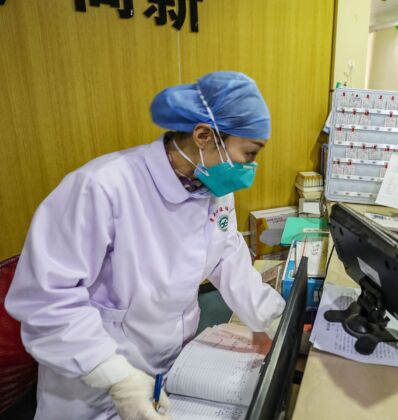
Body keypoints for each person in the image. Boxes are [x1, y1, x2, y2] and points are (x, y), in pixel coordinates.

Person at [5, 71, 286, 419]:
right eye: (248, 153)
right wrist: (116, 376)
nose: (250, 167)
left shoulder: (212, 188)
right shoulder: (101, 188)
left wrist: (270, 320)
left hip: (167, 370)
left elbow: (227, 257)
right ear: (203, 136)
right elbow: (44, 300)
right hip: (92, 381)